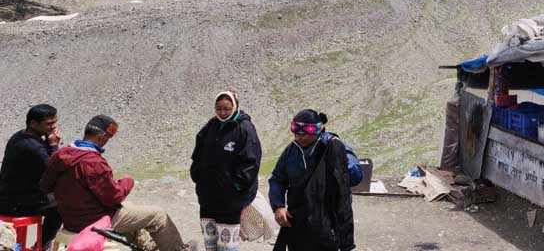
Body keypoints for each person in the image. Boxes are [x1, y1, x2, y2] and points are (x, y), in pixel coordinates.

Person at [39, 115, 193, 251]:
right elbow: (114, 197)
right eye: (107, 139)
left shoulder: (59, 155)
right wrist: (127, 181)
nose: (106, 142)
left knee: (130, 208)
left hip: (70, 219)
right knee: (158, 215)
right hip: (94, 220)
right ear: (101, 137)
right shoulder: (92, 162)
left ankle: (145, 246)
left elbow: (45, 186)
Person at [268, 110, 354, 251]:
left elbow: (343, 195)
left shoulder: (332, 148)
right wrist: (278, 206)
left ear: (316, 132)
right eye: (295, 134)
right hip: (297, 222)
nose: (298, 138)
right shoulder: (291, 151)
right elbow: (277, 179)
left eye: (303, 134)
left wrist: (346, 240)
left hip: (326, 225)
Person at [190, 92, 262, 251]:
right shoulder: (211, 125)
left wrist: (236, 186)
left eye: (227, 109)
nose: (222, 112)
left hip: (230, 199)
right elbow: (198, 153)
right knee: (210, 241)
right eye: (219, 108)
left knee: (227, 245)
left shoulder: (245, 129)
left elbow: (251, 162)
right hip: (208, 195)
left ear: (235, 107)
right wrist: (197, 176)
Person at [0, 105, 63, 251]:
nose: (53, 127)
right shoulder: (31, 146)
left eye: (55, 122)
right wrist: (53, 145)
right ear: (33, 123)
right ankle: (42, 245)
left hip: (14, 195)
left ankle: (38, 242)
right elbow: (53, 168)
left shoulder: (21, 136)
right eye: (49, 124)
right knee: (62, 205)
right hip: (16, 203)